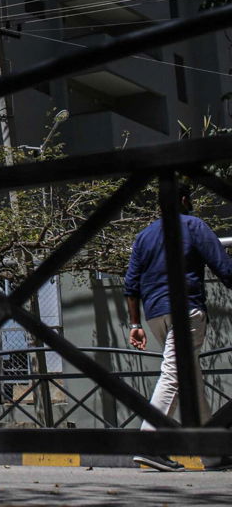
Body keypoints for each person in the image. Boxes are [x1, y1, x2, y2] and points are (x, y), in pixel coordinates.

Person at [124, 185, 232, 472]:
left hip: (154, 316)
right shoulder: (193, 225)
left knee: (190, 380)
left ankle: (212, 452)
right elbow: (224, 267)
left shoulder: (144, 235)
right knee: (173, 374)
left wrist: (134, 324)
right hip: (185, 310)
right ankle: (150, 443)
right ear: (184, 200)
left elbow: (131, 284)